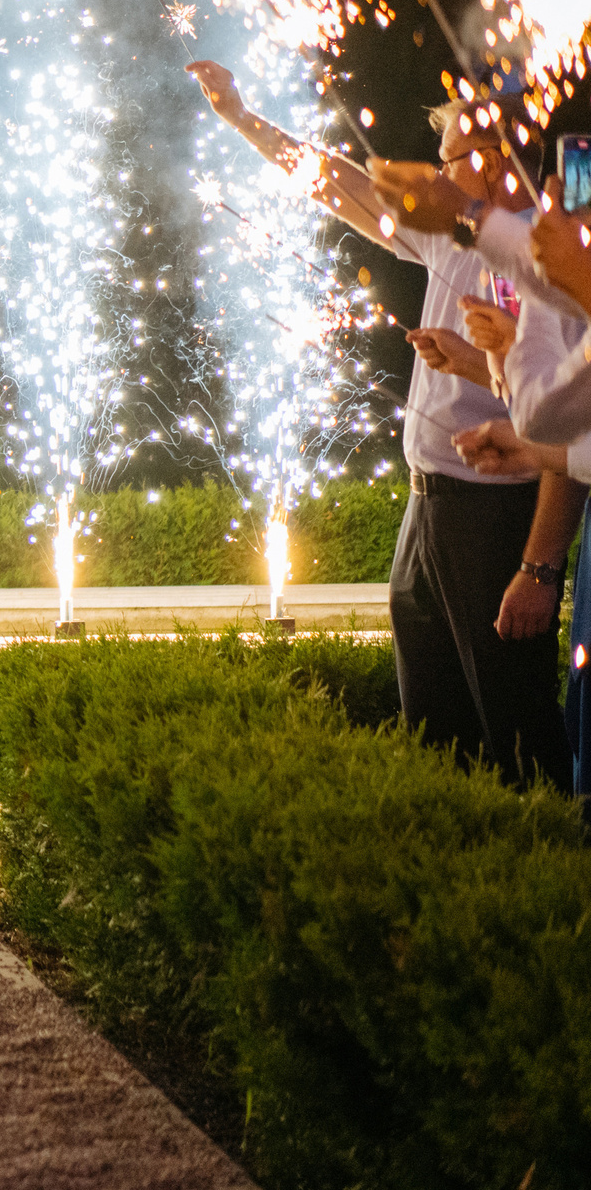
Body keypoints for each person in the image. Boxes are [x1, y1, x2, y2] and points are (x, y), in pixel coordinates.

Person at [189, 63, 572, 788]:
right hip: (427, 507)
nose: (434, 174)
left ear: (492, 164)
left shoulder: (553, 257)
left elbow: (575, 435)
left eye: (447, 160)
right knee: (432, 727)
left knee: (516, 729)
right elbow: (340, 184)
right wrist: (241, 117)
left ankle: (544, 851)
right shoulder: (451, 236)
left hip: (498, 520)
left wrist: (538, 568)